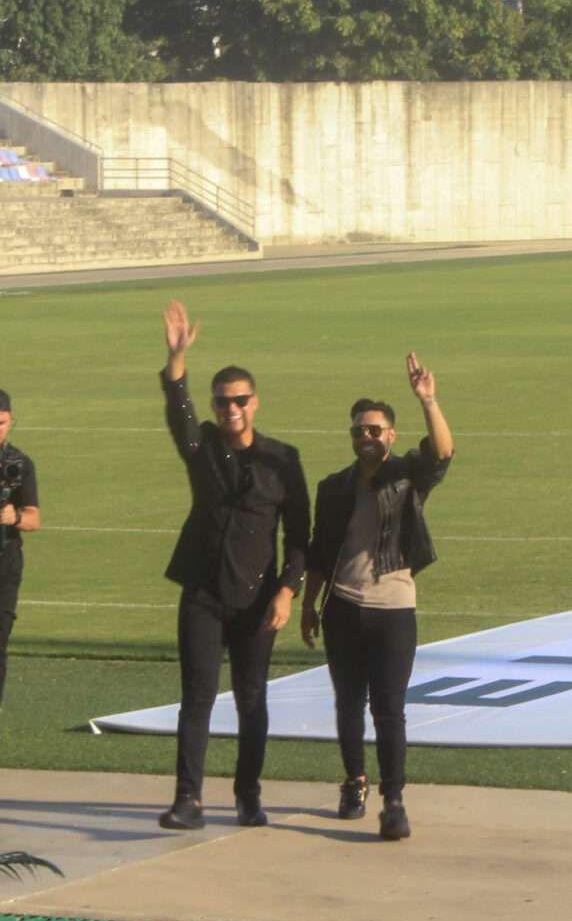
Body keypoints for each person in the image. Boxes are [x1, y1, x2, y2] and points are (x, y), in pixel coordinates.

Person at [159, 300, 310, 831]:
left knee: (251, 700)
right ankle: (188, 799)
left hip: (256, 599)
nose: (231, 409)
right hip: (202, 592)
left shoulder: (283, 459)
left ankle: (248, 794)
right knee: (196, 697)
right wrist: (177, 360)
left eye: (240, 400)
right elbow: (179, 416)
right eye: (223, 402)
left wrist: (288, 591)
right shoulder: (203, 449)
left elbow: (300, 535)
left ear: (255, 402)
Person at [301, 353, 453, 841]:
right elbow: (320, 551)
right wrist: (309, 605)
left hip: (393, 610)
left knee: (388, 708)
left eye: (375, 430)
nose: (366, 437)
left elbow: (443, 453)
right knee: (348, 702)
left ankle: (394, 800)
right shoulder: (334, 487)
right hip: (343, 607)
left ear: (390, 435)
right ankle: (354, 782)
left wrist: (428, 400)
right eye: (359, 431)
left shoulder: (406, 476)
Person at [0, 390, 40, 706]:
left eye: (1, 423)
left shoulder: (20, 464)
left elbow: (33, 518)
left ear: (11, 422)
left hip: (5, 562)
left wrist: (14, 517)